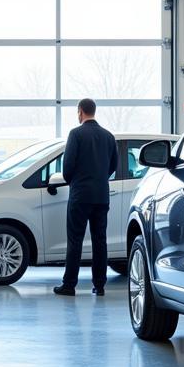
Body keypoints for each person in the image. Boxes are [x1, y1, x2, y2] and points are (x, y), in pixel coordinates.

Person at [53, 98, 118, 298]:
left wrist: (76, 181)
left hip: (80, 196)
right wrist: (99, 179)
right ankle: (99, 286)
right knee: (100, 241)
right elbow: (113, 165)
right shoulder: (108, 136)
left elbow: (67, 168)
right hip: (101, 196)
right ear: (94, 111)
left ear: (80, 112)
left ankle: (69, 285)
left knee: (75, 240)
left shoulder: (76, 134)